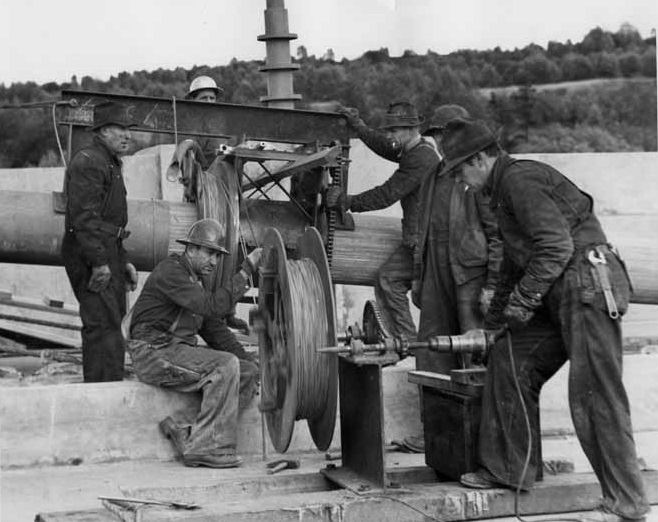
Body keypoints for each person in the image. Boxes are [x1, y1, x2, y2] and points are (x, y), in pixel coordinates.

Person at [439, 119, 649, 522]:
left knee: (595, 394)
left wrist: (520, 304)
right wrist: (494, 325)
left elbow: (556, 246)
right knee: (509, 358)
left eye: (462, 171)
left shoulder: (520, 181)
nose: (462, 182)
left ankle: (628, 502)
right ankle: (510, 470)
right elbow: (514, 268)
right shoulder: (500, 194)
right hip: (558, 288)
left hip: (585, 285)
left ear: (480, 159)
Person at [402, 105, 502, 453]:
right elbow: (421, 228)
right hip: (435, 273)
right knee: (430, 350)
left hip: (470, 275)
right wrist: (418, 276)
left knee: (475, 351)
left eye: (446, 135)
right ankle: (435, 432)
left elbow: (497, 233)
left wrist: (492, 284)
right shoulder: (433, 176)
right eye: (438, 136)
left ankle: (484, 438)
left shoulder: (478, 177)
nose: (442, 143)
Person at [127, 219, 262, 468]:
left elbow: (214, 328)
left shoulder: (195, 281)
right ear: (191, 250)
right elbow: (212, 306)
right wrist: (245, 272)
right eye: (209, 253)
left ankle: (186, 431)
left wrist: (248, 359)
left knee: (247, 372)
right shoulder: (172, 272)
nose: (214, 261)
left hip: (174, 352)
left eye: (217, 256)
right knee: (225, 366)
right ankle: (205, 448)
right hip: (152, 352)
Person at [328, 101, 440, 341]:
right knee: (389, 280)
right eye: (388, 130)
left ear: (411, 129)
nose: (390, 135)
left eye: (394, 130)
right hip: (419, 239)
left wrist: (346, 202)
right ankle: (407, 341)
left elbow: (386, 195)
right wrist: (358, 126)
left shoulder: (421, 158)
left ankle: (411, 344)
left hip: (426, 243)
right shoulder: (415, 148)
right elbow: (384, 146)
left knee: (411, 291)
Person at [61, 100, 139, 382]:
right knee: (101, 326)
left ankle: (109, 389)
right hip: (91, 255)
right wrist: (99, 263)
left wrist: (124, 261)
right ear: (103, 130)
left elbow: (110, 222)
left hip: (109, 251)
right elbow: (84, 218)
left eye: (128, 129)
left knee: (112, 324)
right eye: (121, 128)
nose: (127, 135)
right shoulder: (89, 162)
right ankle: (99, 396)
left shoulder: (109, 162)